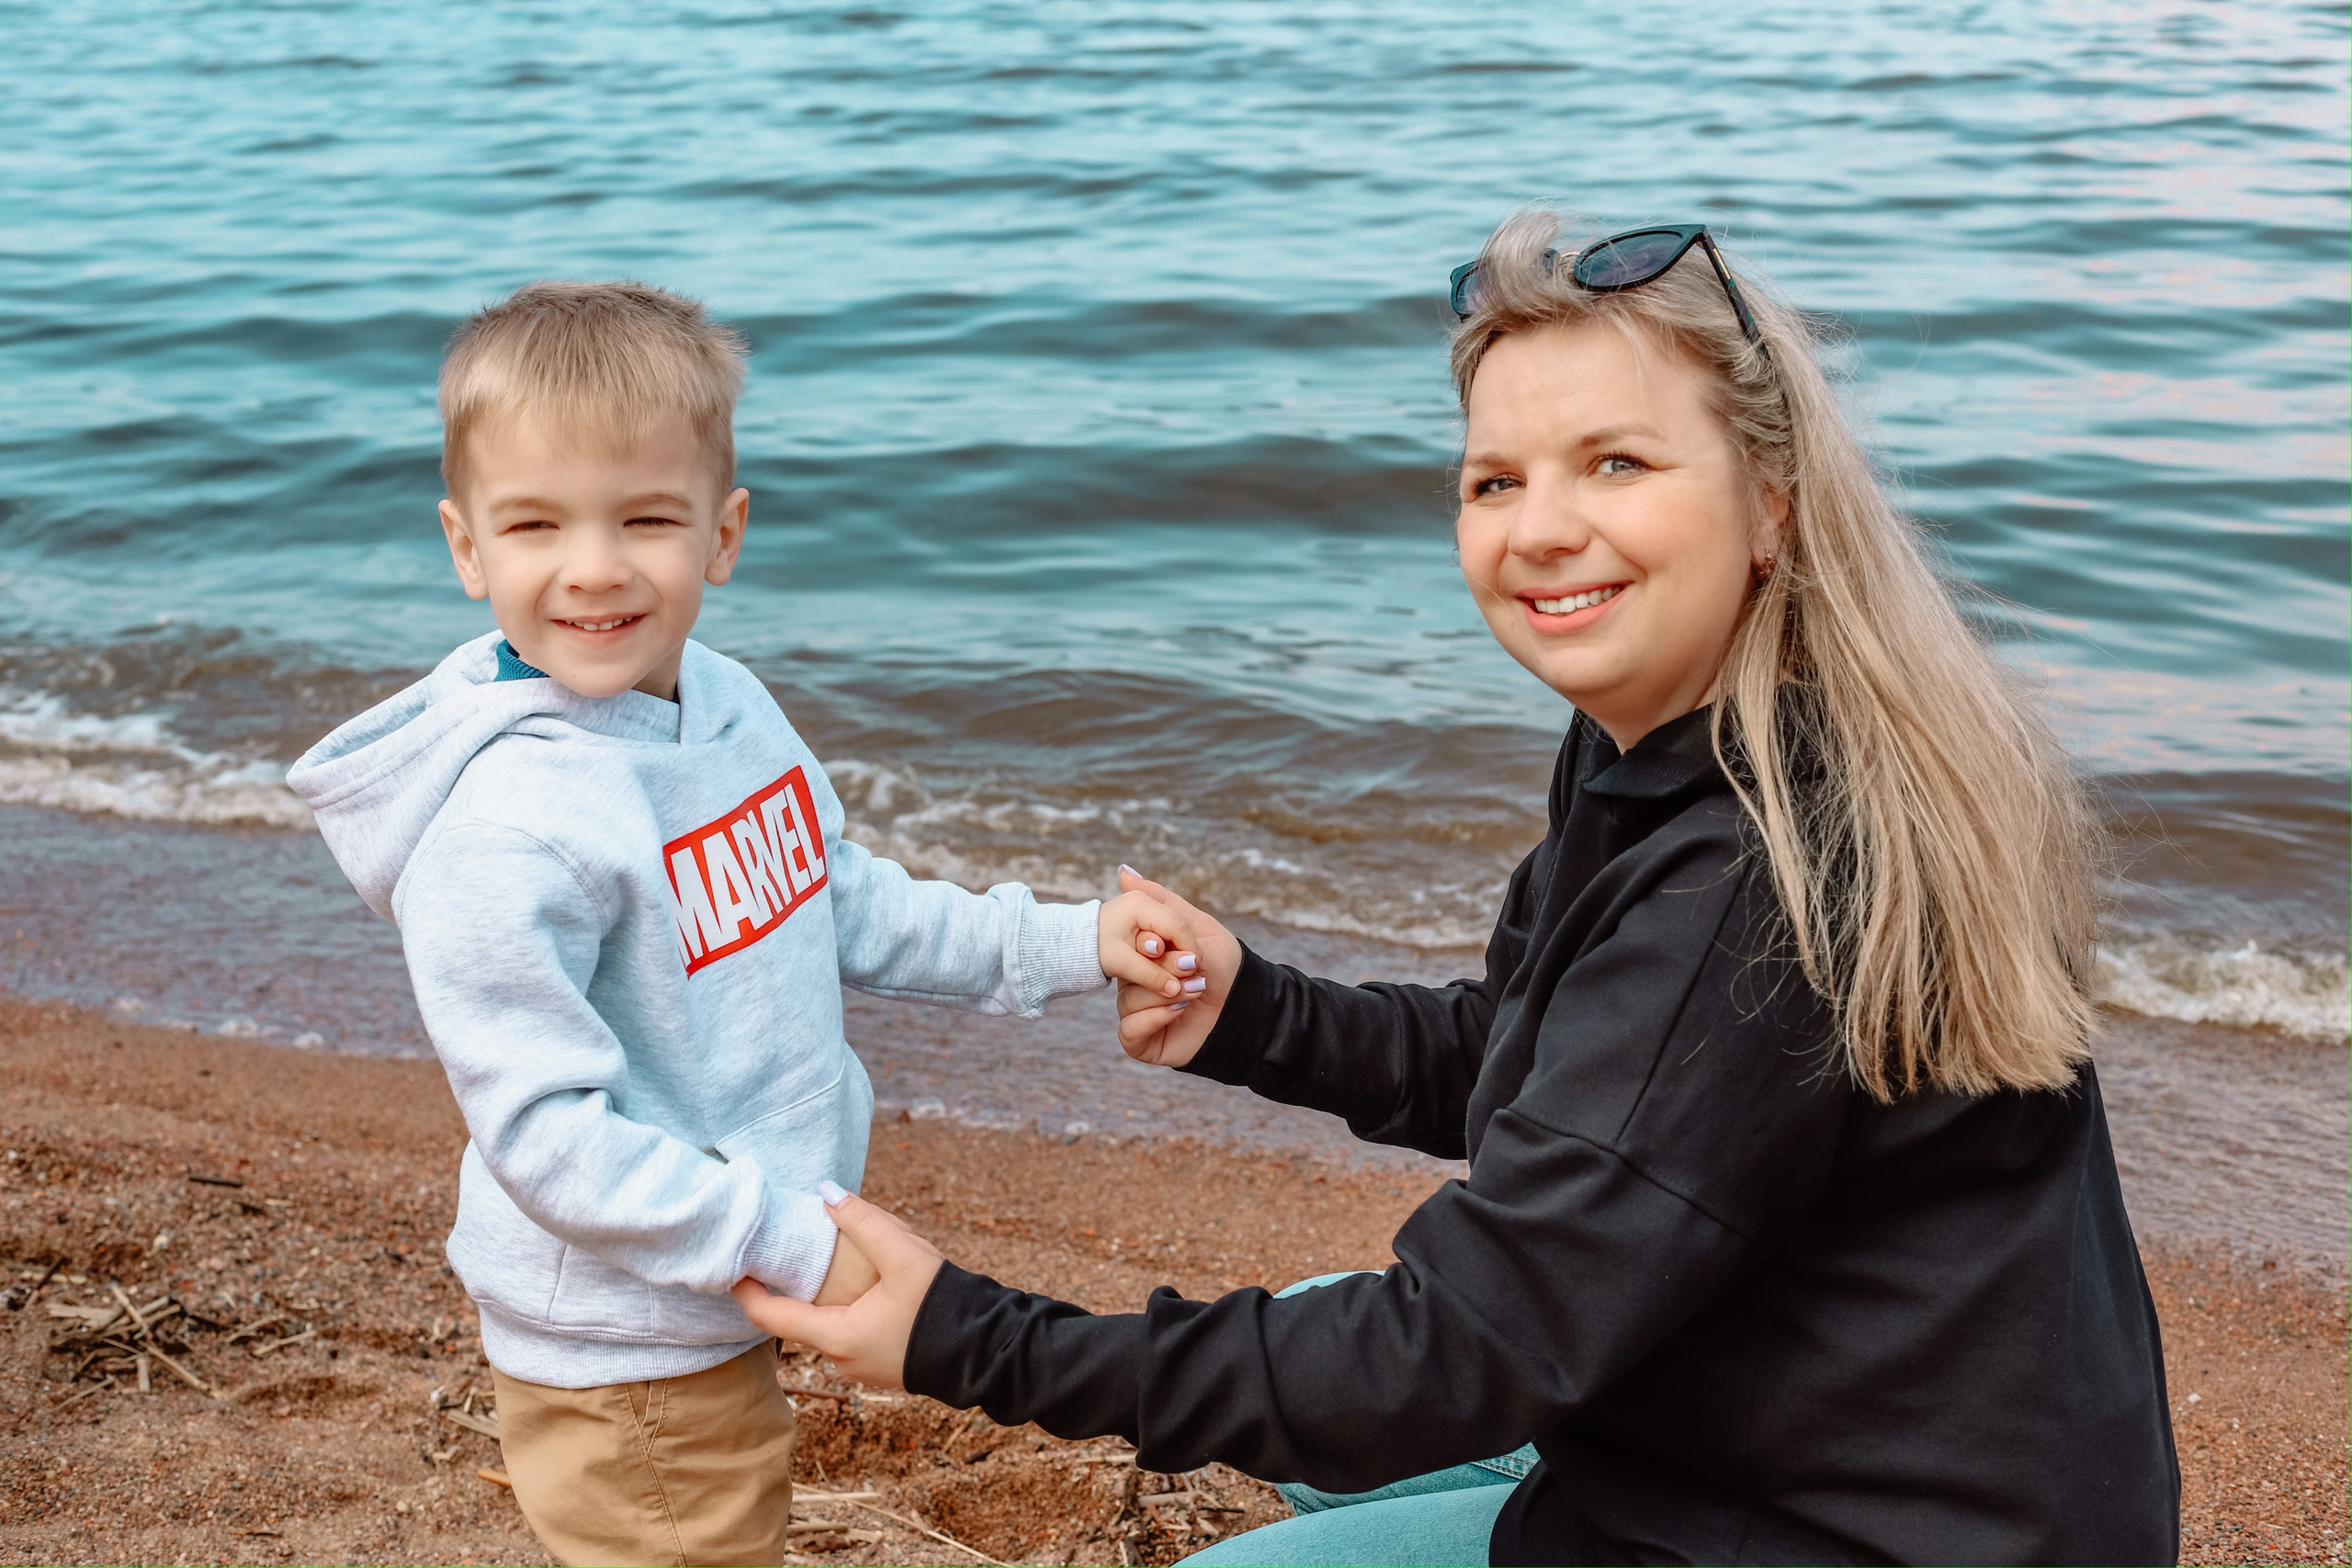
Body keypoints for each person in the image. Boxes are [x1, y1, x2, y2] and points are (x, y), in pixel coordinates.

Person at [736, 211, 2182, 1566]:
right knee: (1309, 1341)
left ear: (1771, 505)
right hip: (1877, 1446)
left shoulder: (1750, 883)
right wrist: (1259, 1017)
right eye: (1497, 480)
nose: (1540, 530)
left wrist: (967, 1338)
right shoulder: (1695, 739)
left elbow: (1453, 1357)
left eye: (1617, 463)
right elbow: (1550, 1066)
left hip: (1854, 1532)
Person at [286, 281, 1204, 1567]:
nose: (594, 566)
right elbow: (546, 1137)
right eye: (536, 523)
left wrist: (1060, 942)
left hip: (721, 1278)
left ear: (723, 534)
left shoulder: (724, 705)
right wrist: (783, 1239)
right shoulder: (509, 828)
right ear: (467, 548)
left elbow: (836, 899)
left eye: (646, 519)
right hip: (622, 1338)